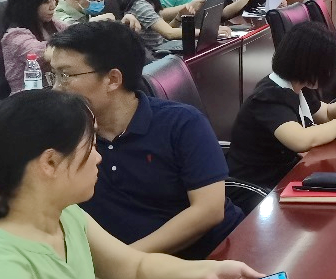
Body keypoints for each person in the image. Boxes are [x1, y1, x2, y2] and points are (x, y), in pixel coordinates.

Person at [0, 90, 265, 279]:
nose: (99, 158)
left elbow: (134, 267)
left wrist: (206, 272)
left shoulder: (64, 215)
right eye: (90, 148)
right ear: (49, 163)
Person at [48, 22, 244, 258]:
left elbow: (209, 210)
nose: (55, 89)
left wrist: (124, 261)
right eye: (54, 75)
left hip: (216, 255)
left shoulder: (181, 123)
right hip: (133, 272)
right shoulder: (63, 139)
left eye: (65, 75)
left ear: (112, 79)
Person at [228, 21, 336, 189]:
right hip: (258, 187)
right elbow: (301, 139)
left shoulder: (298, 85)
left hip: (286, 175)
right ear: (308, 64)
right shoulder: (269, 97)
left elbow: (326, 114)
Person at [1, 0, 69, 94]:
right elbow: (41, 53)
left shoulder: (51, 24)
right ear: (29, 4)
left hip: (53, 94)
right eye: (47, 2)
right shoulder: (14, 36)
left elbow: (73, 32)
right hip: (27, 99)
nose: (53, 6)